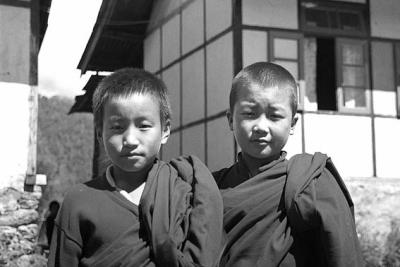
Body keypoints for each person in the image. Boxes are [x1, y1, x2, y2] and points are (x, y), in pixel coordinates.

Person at [48, 68, 223, 267]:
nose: (130, 140)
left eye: (144, 126)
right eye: (117, 127)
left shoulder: (184, 191)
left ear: (165, 130)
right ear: (99, 134)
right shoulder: (79, 201)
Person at [213, 62, 364, 266]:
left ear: (292, 124)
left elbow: (344, 256)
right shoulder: (211, 187)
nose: (261, 127)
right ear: (230, 119)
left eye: (274, 116)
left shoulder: (310, 181)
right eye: (249, 114)